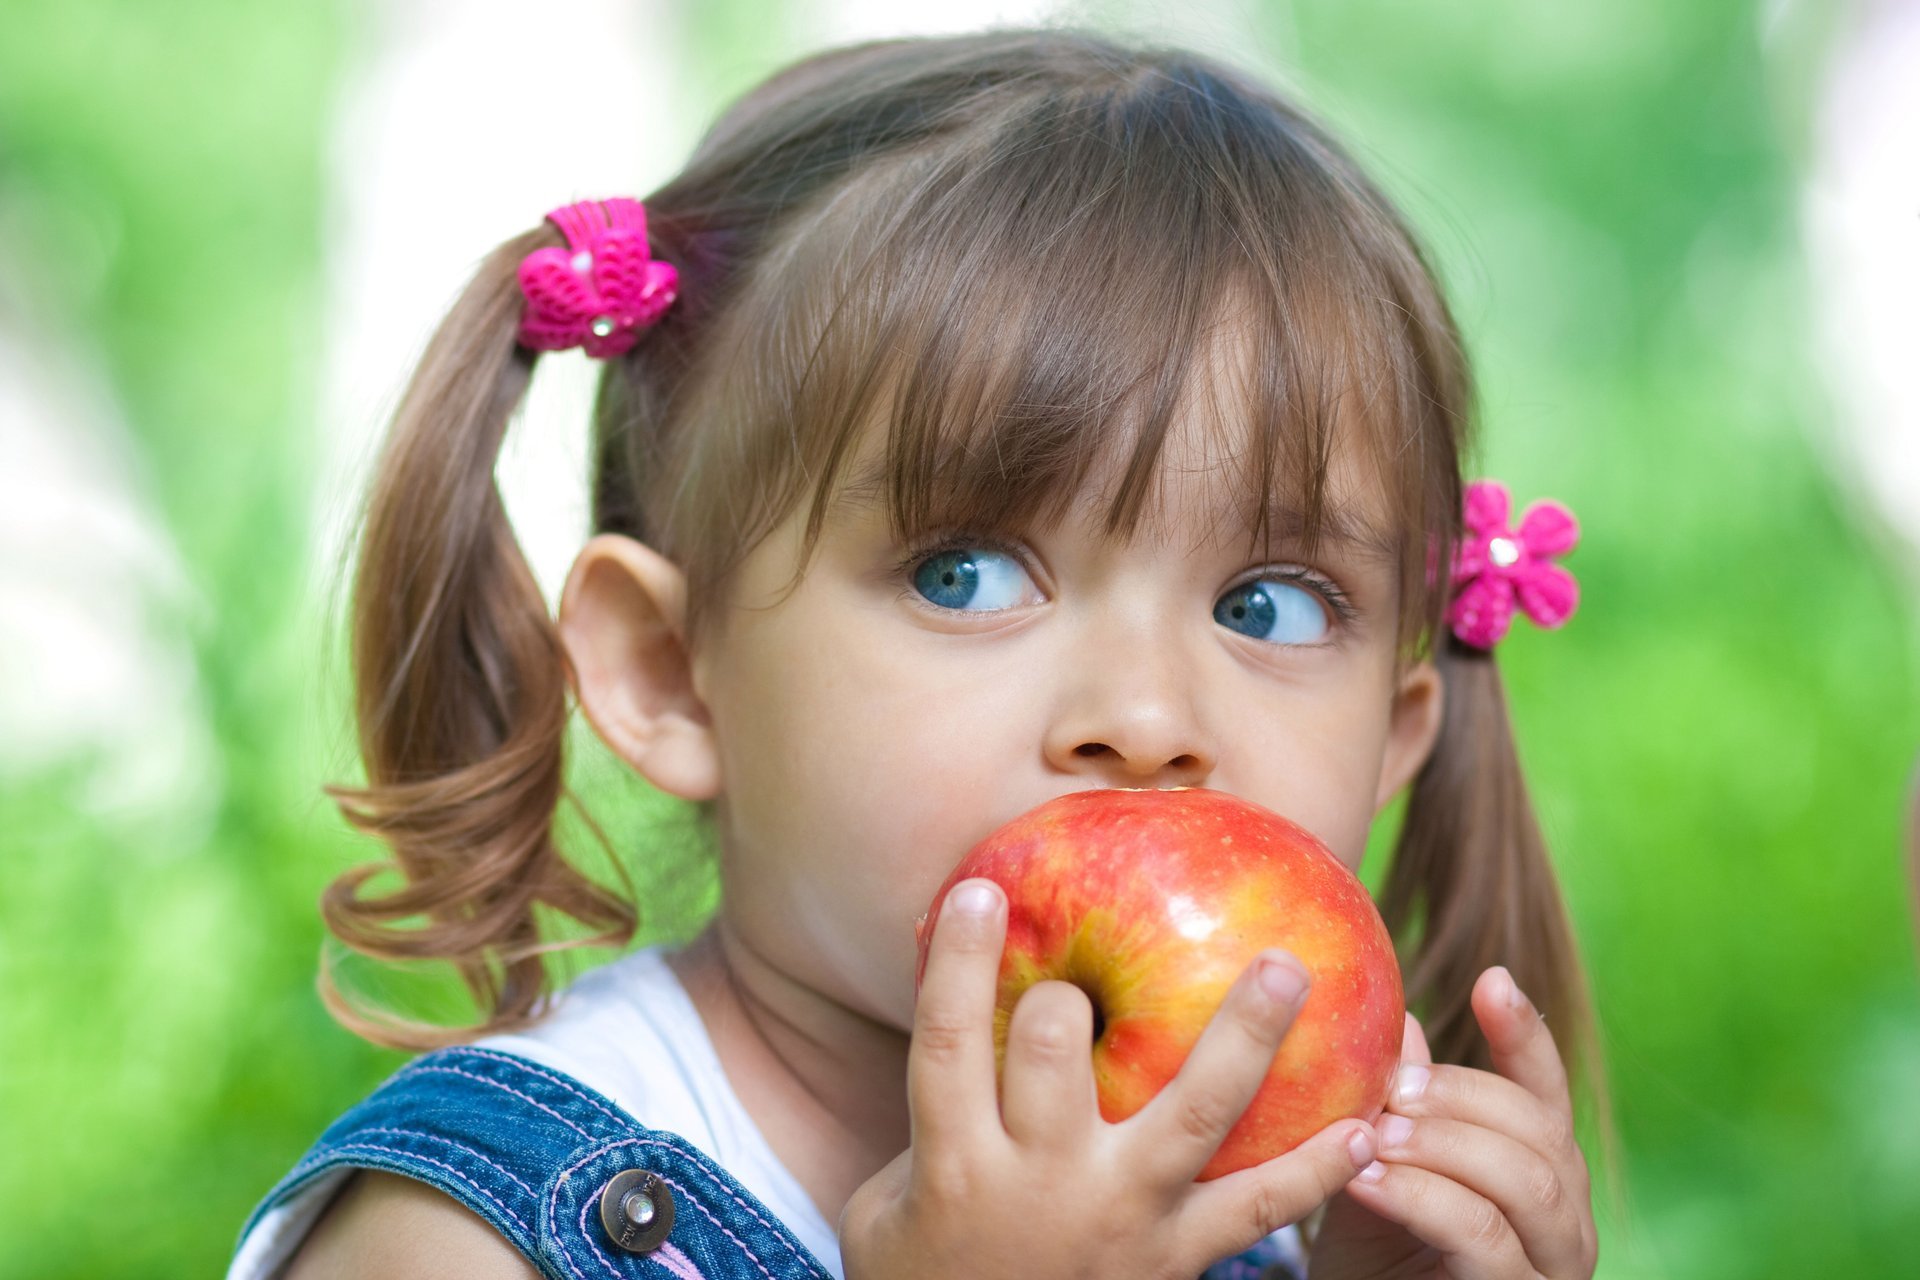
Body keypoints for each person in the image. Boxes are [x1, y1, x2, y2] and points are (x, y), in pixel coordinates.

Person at [229, 27, 1602, 1280]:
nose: (1144, 716)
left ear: (1394, 740)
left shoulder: (1257, 1213)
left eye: (1270, 606)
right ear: (666, 672)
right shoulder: (463, 1239)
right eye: (968, 575)